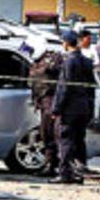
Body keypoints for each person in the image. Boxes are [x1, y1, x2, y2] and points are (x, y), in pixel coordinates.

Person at [52, 29, 94, 184]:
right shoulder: (86, 61)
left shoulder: (69, 61)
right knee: (79, 142)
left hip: (70, 108)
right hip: (83, 107)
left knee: (66, 141)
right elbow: (91, 87)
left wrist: (56, 108)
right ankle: (79, 173)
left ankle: (65, 174)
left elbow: (64, 87)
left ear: (66, 43)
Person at [26, 35, 63, 177]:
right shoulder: (36, 62)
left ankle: (59, 166)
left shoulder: (53, 59)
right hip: (42, 102)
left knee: (53, 135)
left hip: (52, 102)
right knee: (45, 134)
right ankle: (50, 164)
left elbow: (59, 75)